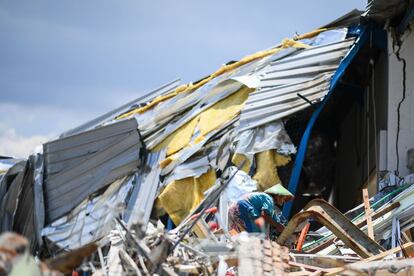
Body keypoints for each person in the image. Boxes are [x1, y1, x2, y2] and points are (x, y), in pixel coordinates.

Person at [228, 184, 294, 234]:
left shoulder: (263, 197)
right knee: (257, 234)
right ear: (278, 195)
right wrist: (277, 225)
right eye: (284, 198)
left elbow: (273, 218)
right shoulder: (269, 198)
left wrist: (277, 225)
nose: (284, 201)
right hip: (244, 207)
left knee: (236, 234)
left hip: (233, 208)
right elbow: (264, 214)